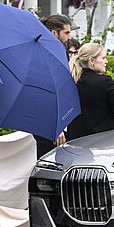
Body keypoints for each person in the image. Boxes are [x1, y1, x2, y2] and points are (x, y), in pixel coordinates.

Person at [33, 14, 77, 158]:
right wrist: (58, 127)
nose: (69, 37)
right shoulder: (45, 54)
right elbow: (48, 92)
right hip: (48, 125)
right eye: (66, 32)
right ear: (54, 33)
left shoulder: (56, 51)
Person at [68, 43, 114, 140]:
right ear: (91, 60)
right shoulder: (106, 82)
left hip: (76, 143)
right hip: (103, 143)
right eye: (103, 58)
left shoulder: (71, 82)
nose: (106, 61)